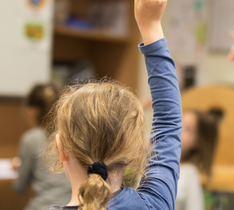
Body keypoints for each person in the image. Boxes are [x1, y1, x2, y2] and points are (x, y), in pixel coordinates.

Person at [47, 0, 182, 209]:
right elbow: (168, 123)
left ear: (61, 148)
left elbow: (168, 123)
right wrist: (151, 26)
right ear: (134, 150)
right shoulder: (155, 204)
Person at [13, 84, 72, 210]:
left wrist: (20, 167)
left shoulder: (31, 138)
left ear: (33, 111)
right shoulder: (72, 135)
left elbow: (19, 187)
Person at [176, 111, 218, 210]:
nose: (178, 129)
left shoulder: (190, 173)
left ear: (197, 142)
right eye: (178, 122)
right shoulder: (148, 159)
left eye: (188, 129)